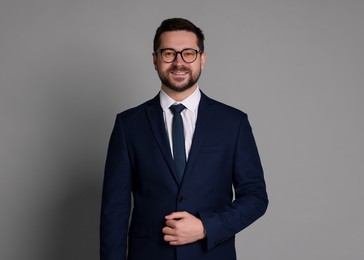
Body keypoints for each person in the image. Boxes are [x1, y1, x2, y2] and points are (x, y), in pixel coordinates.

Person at [100, 18, 268, 260]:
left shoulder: (233, 123)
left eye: (188, 53)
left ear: (202, 59)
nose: (179, 62)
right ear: (155, 60)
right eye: (169, 53)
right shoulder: (128, 125)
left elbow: (255, 197)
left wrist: (205, 226)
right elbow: (114, 212)